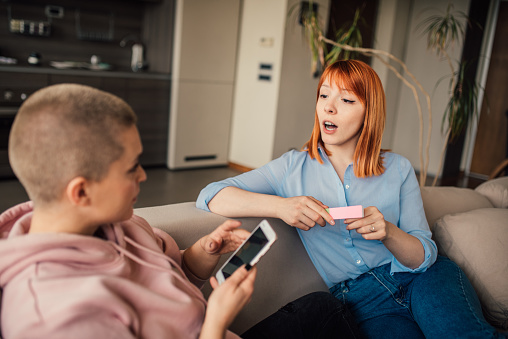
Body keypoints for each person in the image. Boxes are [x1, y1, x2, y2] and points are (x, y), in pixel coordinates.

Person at [0, 83, 359, 339]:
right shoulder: (52, 316)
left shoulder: (125, 224)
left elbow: (176, 274)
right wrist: (216, 321)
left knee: (325, 309)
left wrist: (201, 254)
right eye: (132, 168)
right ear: (80, 191)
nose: (144, 175)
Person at [197, 60, 506, 338]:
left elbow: (425, 256)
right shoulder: (291, 168)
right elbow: (210, 195)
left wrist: (388, 231)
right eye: (324, 95)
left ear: (368, 113)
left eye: (346, 100)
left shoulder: (398, 168)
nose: (329, 108)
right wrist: (282, 206)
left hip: (423, 280)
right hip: (359, 302)